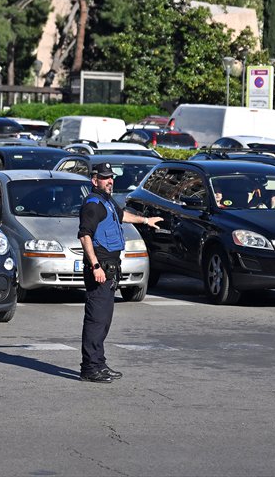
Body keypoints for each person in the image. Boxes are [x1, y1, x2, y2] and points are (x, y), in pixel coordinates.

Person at [77, 163, 162, 384]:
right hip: (101, 269)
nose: (109, 181)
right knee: (96, 320)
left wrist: (145, 220)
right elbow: (85, 235)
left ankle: (99, 362)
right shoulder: (93, 205)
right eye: (105, 178)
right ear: (94, 180)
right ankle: (90, 368)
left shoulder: (107, 201)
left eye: (111, 177)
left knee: (103, 320)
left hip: (111, 268)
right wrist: (95, 266)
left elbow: (122, 215)